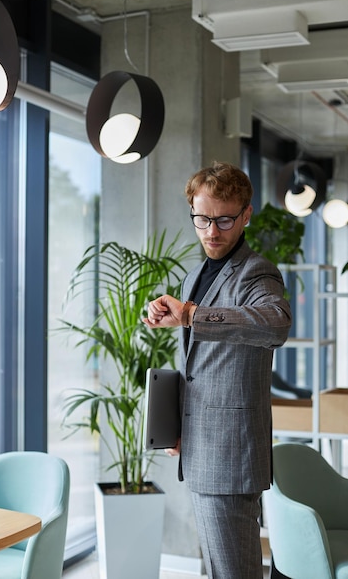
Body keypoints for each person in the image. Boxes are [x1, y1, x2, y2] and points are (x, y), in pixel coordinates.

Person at [143, 162, 292, 579]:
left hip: (231, 454)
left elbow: (275, 322)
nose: (212, 231)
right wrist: (163, 311)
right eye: (202, 218)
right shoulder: (195, 274)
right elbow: (197, 365)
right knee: (217, 570)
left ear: (245, 215)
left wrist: (191, 314)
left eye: (225, 219)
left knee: (234, 572)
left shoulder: (256, 271)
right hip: (200, 446)